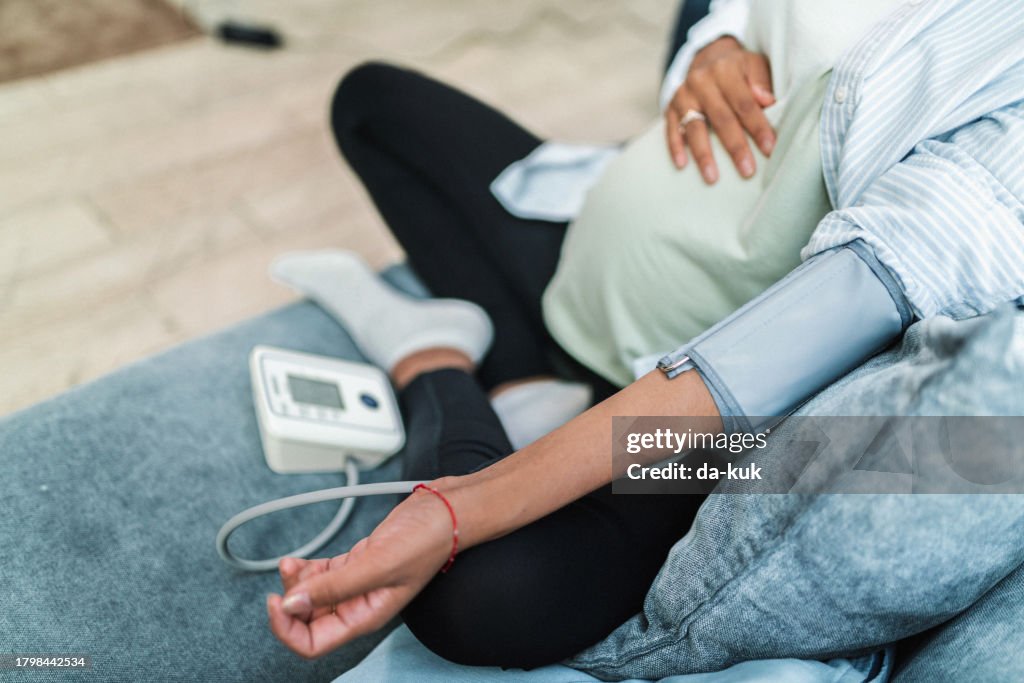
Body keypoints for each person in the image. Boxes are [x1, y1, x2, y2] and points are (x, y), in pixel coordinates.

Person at [265, 0, 1024, 674]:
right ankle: (523, 379)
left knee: (472, 593)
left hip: (691, 424)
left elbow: (771, 356)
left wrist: (462, 505)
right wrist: (711, 51)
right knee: (372, 103)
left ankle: (429, 355)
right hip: (590, 258)